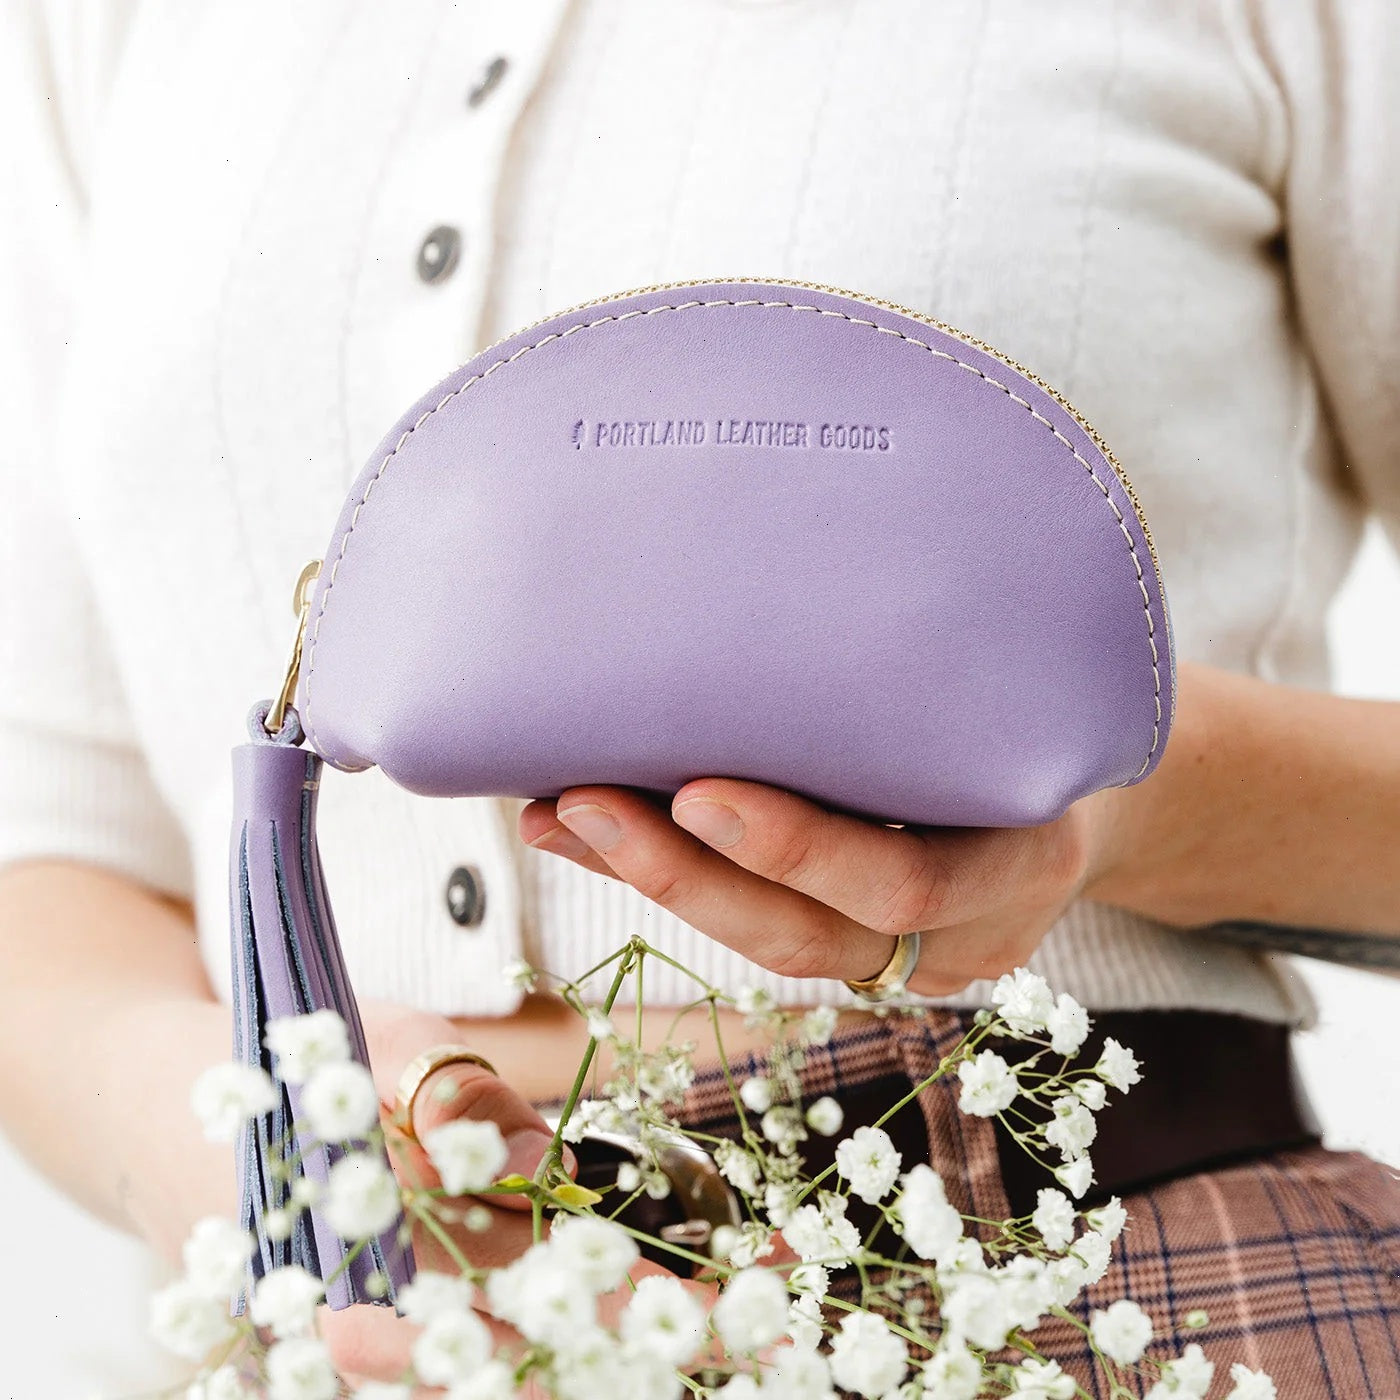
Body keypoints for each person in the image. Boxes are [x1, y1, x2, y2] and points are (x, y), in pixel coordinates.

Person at [1, 0, 1398, 1392]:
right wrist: (221, 1135)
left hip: (1116, 1290)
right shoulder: (109, 28)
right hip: (372, 1329)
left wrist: (1120, 813)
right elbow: (55, 838)